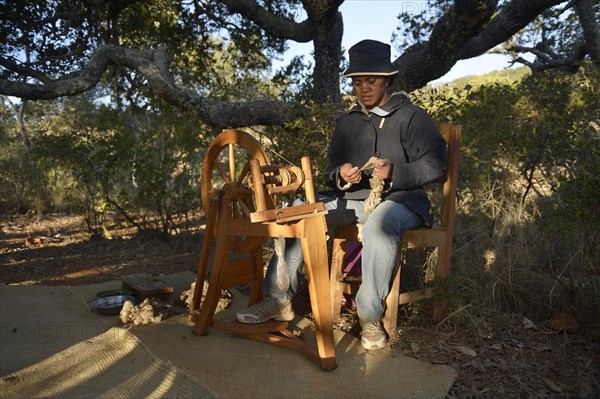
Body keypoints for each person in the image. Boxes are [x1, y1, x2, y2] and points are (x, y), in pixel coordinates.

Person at [236, 39, 446, 350]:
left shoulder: (411, 116)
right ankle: (277, 299)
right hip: (356, 201)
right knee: (299, 209)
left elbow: (435, 166)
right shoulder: (348, 121)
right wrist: (342, 173)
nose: (363, 88)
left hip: (404, 201)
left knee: (379, 225)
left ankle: (369, 317)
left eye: (371, 81)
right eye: (357, 82)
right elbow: (331, 167)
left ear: (387, 80)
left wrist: (396, 172)